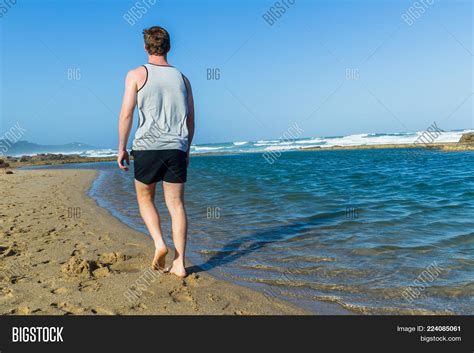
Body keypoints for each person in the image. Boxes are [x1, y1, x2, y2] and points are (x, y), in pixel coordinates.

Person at [117, 26, 195, 278]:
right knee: (176, 204)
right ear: (169, 47)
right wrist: (186, 149)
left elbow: (127, 113)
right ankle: (180, 263)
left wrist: (121, 148)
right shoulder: (183, 79)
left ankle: (159, 243)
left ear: (145, 47)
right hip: (176, 147)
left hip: (147, 148)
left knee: (144, 199)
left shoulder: (136, 74)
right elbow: (190, 120)